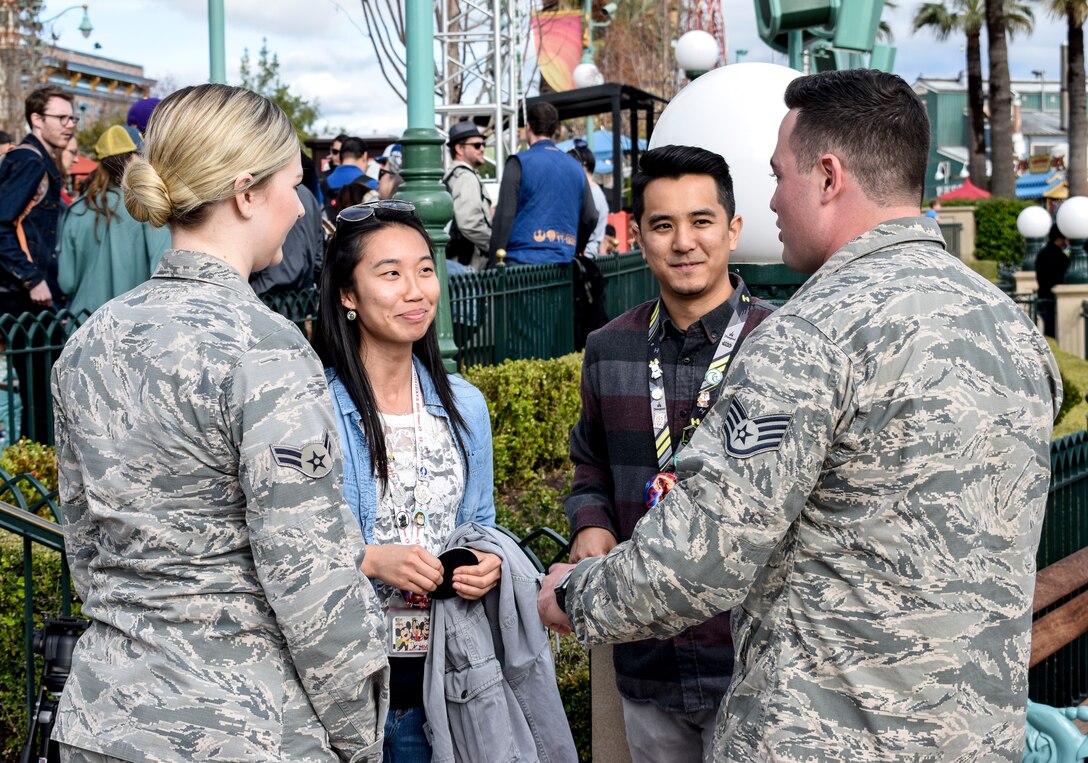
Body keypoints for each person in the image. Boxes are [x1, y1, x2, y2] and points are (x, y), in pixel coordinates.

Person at [539, 69, 1061, 761]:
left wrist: (574, 595)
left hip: (827, 737)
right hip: (974, 736)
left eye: (779, 174)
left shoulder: (809, 334)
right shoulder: (1012, 328)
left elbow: (700, 559)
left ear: (827, 175)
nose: (774, 197)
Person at [50, 84, 389, 763]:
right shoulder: (264, 348)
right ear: (244, 192)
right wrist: (358, 735)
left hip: (104, 718)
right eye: (292, 185)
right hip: (245, 727)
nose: (299, 207)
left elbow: (86, 547)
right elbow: (311, 577)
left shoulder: (90, 342)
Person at [564, 145, 776, 762]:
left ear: (733, 230)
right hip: (647, 653)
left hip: (753, 657)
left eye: (701, 221)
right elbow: (590, 465)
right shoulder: (609, 348)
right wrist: (593, 524)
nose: (683, 241)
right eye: (663, 225)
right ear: (640, 237)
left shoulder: (781, 349)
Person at [313, 200, 500, 761]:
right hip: (347, 689)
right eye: (390, 273)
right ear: (348, 295)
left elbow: (481, 525)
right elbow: (282, 545)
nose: (416, 290)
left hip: (447, 680)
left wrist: (483, 562)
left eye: (423, 269)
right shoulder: (314, 408)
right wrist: (368, 559)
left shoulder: (465, 404)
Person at [0, 85, 74, 442]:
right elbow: (0, 224)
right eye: (61, 118)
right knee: (41, 400)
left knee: (41, 397)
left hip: (30, 300)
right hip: (24, 299)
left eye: (73, 117)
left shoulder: (37, 160)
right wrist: (32, 279)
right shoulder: (30, 161)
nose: (70, 125)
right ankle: (34, 480)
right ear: (36, 119)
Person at [57, 125, 171, 316]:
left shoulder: (76, 211)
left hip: (82, 326)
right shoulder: (148, 207)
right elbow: (163, 274)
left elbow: (66, 282)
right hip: (133, 325)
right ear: (132, 158)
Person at [488, 102, 597, 266]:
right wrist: (574, 247)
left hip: (521, 265)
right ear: (555, 130)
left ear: (528, 127)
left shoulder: (518, 162)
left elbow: (504, 217)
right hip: (563, 263)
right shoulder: (576, 167)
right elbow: (591, 216)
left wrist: (493, 264)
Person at [250, 150, 324, 296]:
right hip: (301, 296)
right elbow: (318, 257)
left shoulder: (290, 195)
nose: (300, 211)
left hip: (273, 296)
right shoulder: (308, 196)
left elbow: (285, 272)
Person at [443, 121, 493, 270]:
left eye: (483, 144)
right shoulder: (466, 177)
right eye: (477, 145)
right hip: (467, 263)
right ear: (459, 148)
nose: (482, 148)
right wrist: (495, 244)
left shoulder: (451, 175)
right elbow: (469, 223)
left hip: (456, 261)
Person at [568, 142, 609, 257]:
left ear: (583, 165)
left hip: (586, 254)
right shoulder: (594, 190)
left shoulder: (592, 193)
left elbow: (590, 218)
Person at [1035, 222, 1069, 338]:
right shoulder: (1061, 257)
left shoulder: (1042, 253)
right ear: (1059, 239)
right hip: (1054, 302)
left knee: (1048, 332)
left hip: (1043, 299)